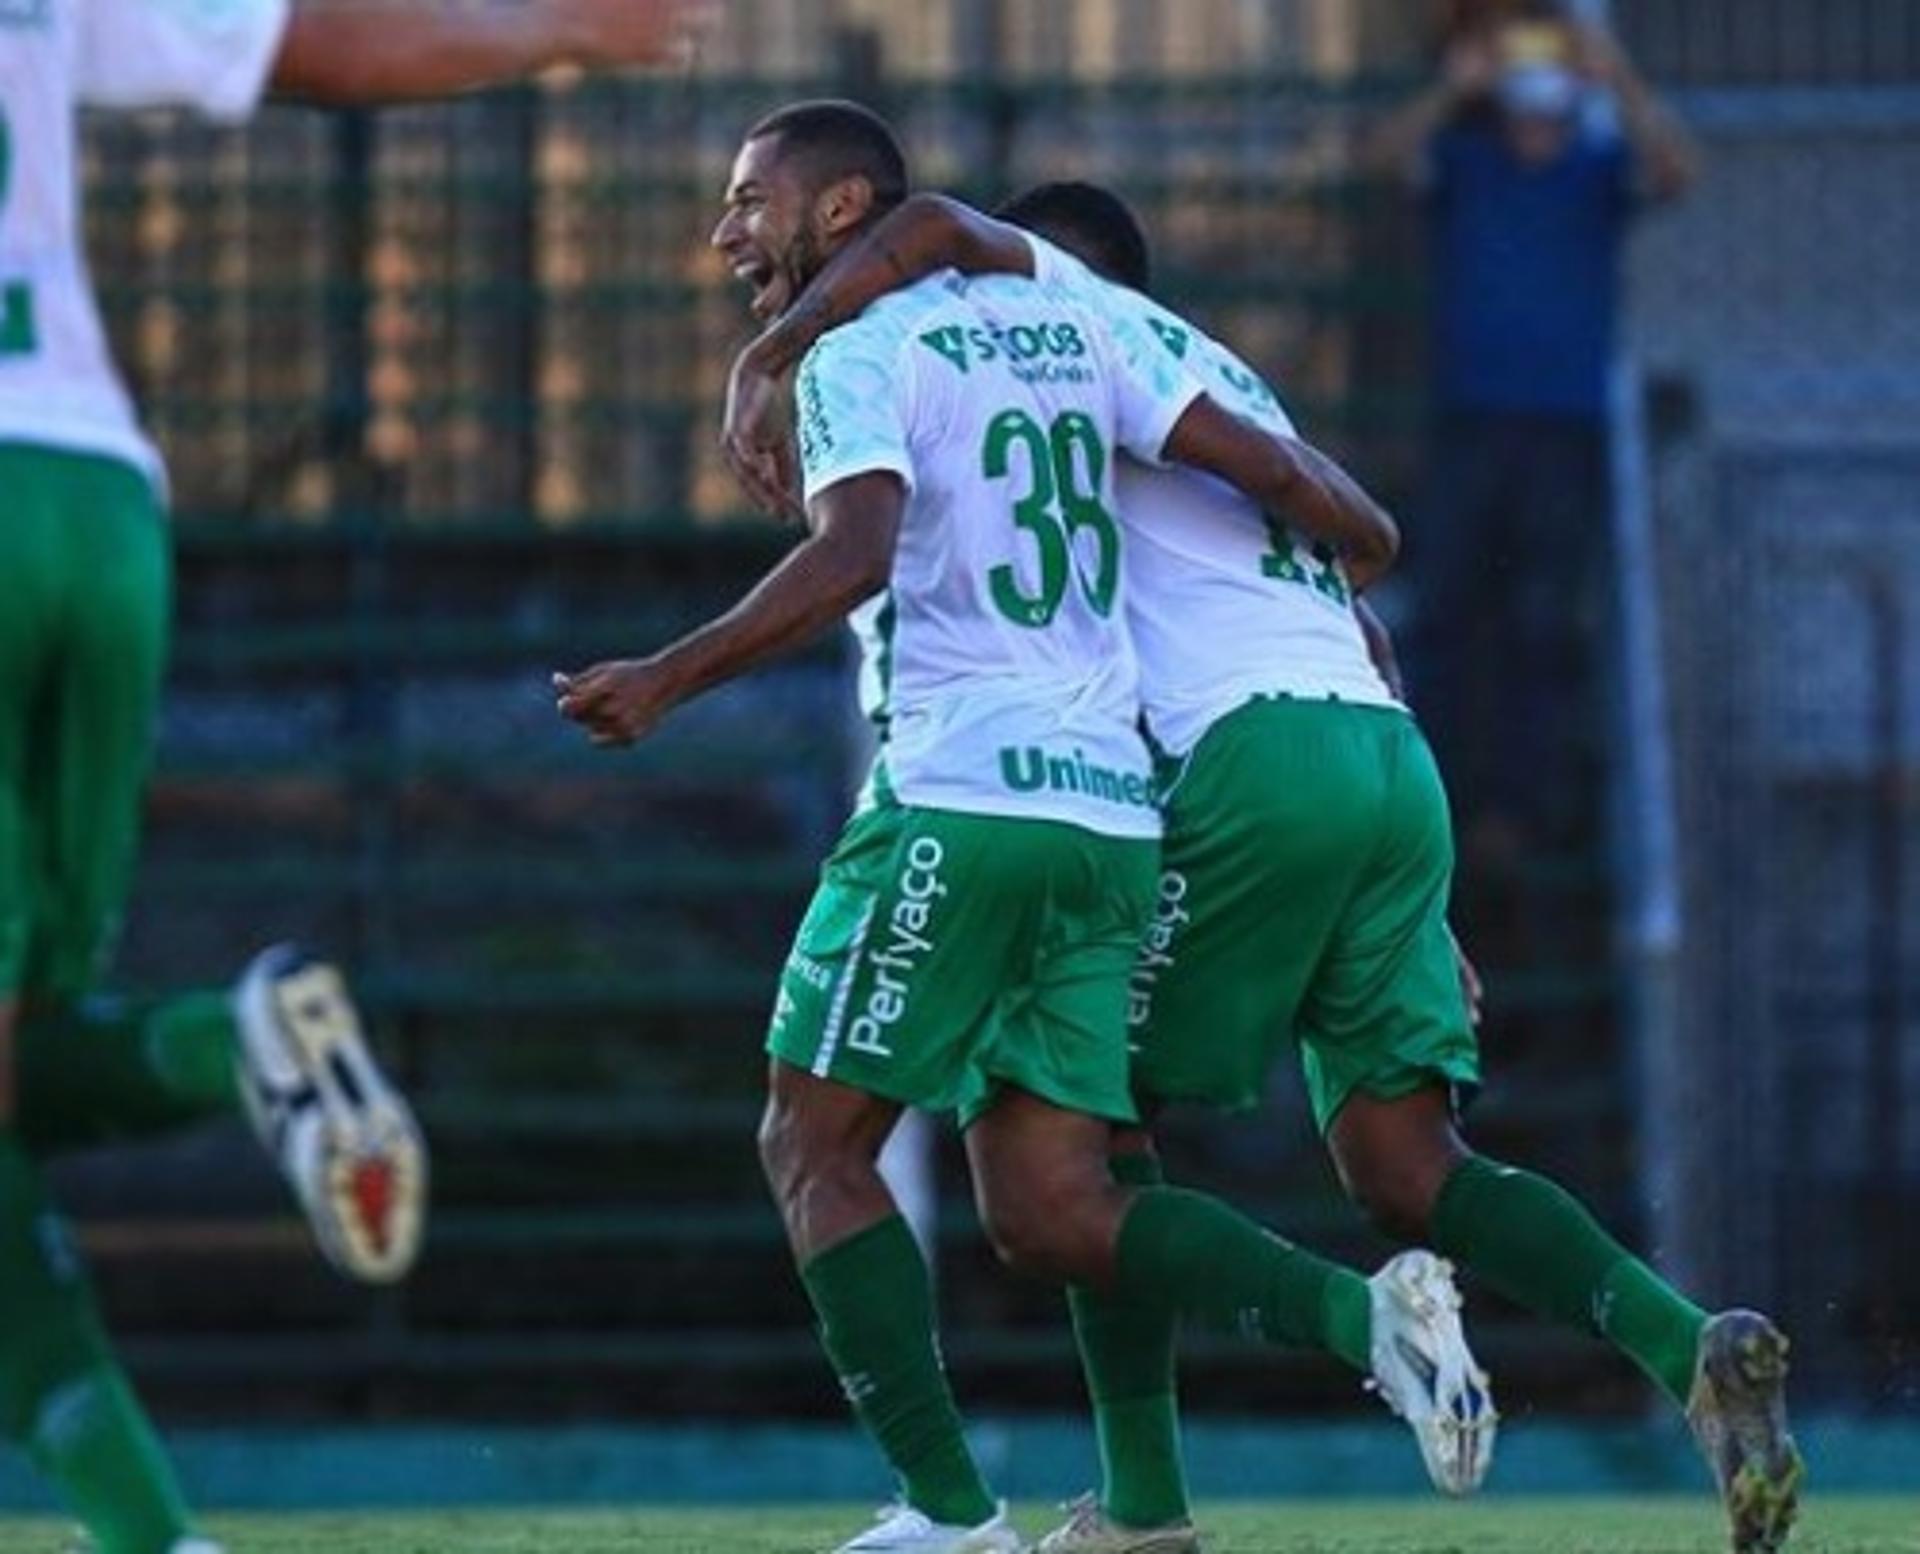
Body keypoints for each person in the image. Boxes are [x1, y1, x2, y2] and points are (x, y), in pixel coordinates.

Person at [718, 180, 1801, 1554]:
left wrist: (778, 350)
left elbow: (932, 232)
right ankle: (1685, 1340)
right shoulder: (1218, 379)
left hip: (1244, 762)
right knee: (1408, 1157)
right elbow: (1359, 609)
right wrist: (1421, 898)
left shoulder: (1055, 346)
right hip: (1383, 762)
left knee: (1065, 1161)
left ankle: (1148, 1506)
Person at [559, 100, 1492, 1554]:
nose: (728, 230)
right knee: (1057, 1200)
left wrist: (666, 677)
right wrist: (1358, 555)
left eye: (752, 199)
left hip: (956, 794)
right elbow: (1279, 488)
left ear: (840, 205)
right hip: (1113, 813)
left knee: (811, 1141)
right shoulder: (1077, 337)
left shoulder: (859, 350)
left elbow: (858, 550)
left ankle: (946, 1516)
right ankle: (1368, 1317)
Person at [0, 3, 712, 1552]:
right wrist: (553, 34)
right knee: (22, 1054)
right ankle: (234, 1046)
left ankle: (219, 1067)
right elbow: (314, 44)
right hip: (97, 499)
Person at [1364, 5, 1698, 853]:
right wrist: (1452, 93)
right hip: (1473, 418)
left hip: (1562, 424)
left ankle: (1533, 808)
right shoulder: (1468, 162)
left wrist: (1615, 77)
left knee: (1544, 618)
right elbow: (1381, 159)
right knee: (1449, 607)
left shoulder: (1595, 168)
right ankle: (1440, 794)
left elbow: (1675, 171)